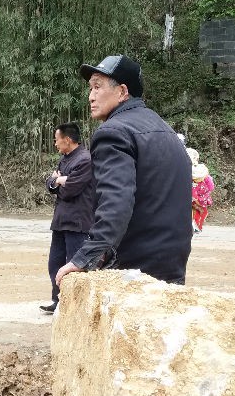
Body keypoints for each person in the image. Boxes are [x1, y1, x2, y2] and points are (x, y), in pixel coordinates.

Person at [55, 54, 192, 287]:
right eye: (90, 88)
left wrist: (87, 256)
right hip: (172, 262)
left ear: (122, 92)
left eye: (97, 87)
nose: (91, 96)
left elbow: (116, 200)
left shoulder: (114, 132)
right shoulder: (164, 129)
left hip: (134, 265)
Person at [39, 123, 95, 314]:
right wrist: (58, 181)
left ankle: (74, 307)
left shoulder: (85, 160)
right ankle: (59, 301)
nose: (55, 143)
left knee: (74, 265)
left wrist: (61, 182)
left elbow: (70, 190)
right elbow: (50, 184)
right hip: (61, 220)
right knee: (55, 263)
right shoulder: (65, 159)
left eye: (57, 140)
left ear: (68, 140)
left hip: (77, 222)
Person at [187, 147, 215, 233]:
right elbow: (211, 186)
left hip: (189, 197)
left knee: (191, 212)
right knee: (201, 212)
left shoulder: (184, 171)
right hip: (200, 199)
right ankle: (197, 227)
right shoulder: (202, 171)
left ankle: (192, 226)